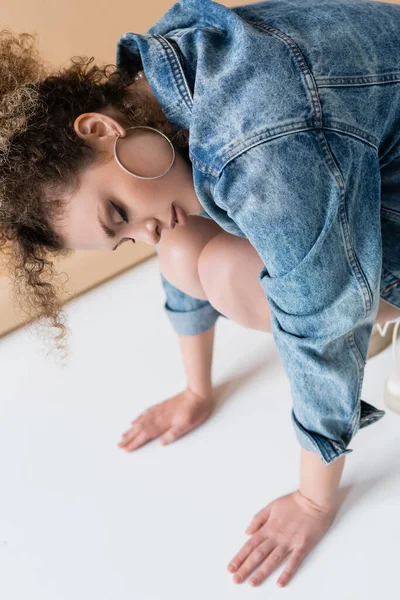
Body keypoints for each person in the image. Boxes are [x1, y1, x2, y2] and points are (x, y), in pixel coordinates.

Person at [1, 0, 400, 589]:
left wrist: (313, 502)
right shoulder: (162, 82)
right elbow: (173, 235)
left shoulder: (259, 143)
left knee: (228, 273)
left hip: (344, 170)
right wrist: (196, 389)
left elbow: (322, 319)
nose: (145, 233)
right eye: (124, 237)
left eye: (117, 213)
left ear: (98, 128)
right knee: (187, 249)